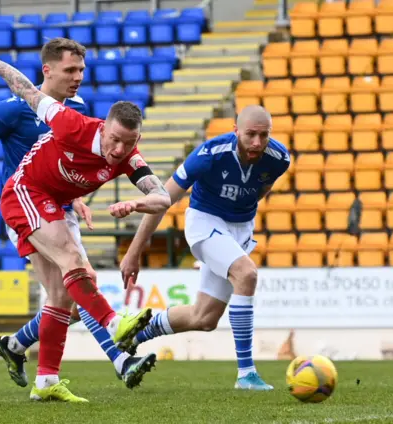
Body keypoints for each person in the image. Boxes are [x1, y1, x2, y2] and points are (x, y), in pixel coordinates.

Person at [0, 39, 164, 401]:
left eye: (82, 70)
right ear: (47, 70)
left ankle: (29, 361)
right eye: (71, 70)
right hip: (25, 199)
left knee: (63, 294)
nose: (78, 77)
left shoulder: (82, 112)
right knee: (77, 270)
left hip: (60, 203)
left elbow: (78, 163)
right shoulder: (15, 110)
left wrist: (79, 197)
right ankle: (119, 353)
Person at [119, 105, 290, 391]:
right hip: (205, 221)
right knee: (246, 275)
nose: (257, 143)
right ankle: (246, 374)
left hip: (240, 229)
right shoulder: (209, 155)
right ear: (236, 131)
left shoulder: (279, 159)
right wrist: (134, 252)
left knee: (204, 317)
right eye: (250, 135)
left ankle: (136, 334)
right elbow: (163, 200)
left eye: (264, 135)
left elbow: (262, 189)